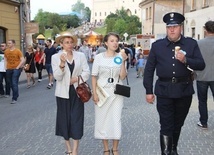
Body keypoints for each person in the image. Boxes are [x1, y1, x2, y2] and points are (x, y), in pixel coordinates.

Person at [143, 12, 205, 155]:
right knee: (166, 124)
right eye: (169, 27)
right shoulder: (158, 46)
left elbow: (201, 64)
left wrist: (186, 59)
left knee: (178, 124)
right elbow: (149, 70)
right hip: (164, 90)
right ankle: (166, 152)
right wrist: (148, 91)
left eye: (175, 26)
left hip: (184, 90)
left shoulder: (191, 44)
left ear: (181, 28)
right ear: (166, 29)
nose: (172, 29)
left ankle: (173, 149)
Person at [52, 31, 90, 155]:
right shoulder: (55, 57)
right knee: (64, 120)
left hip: (78, 92)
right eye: (66, 42)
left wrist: (76, 79)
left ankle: (75, 151)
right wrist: (62, 64)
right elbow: (57, 77)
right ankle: (68, 148)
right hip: (63, 94)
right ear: (61, 44)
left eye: (71, 42)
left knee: (76, 120)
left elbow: (86, 72)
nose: (69, 44)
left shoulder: (80, 56)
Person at [91, 32, 128, 155]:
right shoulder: (99, 57)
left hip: (116, 92)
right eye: (112, 41)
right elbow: (94, 76)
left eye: (116, 41)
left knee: (116, 119)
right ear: (106, 43)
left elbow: (122, 76)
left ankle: (115, 148)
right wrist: (94, 93)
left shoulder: (120, 56)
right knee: (103, 120)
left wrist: (123, 61)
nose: (115, 43)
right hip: (102, 92)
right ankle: (106, 148)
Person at [195, 20, 214, 129]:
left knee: (202, 101)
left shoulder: (199, 43)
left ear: (205, 30)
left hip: (202, 76)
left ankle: (204, 122)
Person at [4, 39, 25, 104]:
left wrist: (17, 67)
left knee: (14, 82)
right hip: (9, 69)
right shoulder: (6, 51)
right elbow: (5, 59)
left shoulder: (17, 51)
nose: (8, 44)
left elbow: (23, 60)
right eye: (8, 43)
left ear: (13, 44)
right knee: (10, 83)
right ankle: (16, 93)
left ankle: (14, 98)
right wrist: (5, 67)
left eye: (10, 43)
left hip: (16, 69)